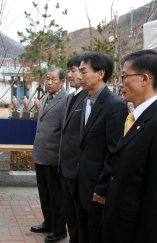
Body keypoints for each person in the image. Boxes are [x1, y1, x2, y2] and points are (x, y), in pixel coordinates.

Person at [101, 49, 157, 243]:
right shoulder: (135, 118)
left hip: (139, 231)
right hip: (120, 226)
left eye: (124, 76)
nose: (120, 83)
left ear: (145, 79)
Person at [76, 52, 127, 243]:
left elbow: (114, 152)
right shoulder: (85, 100)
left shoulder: (115, 105)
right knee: (83, 235)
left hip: (98, 189)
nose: (79, 76)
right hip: (82, 185)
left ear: (100, 73)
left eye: (83, 71)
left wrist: (103, 187)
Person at [31, 67, 69, 243]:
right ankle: (48, 222)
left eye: (53, 79)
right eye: (47, 79)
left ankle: (60, 230)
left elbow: (66, 130)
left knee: (56, 195)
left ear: (62, 82)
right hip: (41, 154)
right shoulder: (45, 97)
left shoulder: (66, 99)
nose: (48, 82)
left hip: (54, 156)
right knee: (44, 193)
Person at [58, 55, 88, 243]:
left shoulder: (89, 98)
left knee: (80, 215)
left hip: (78, 169)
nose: (69, 74)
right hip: (65, 166)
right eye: (68, 70)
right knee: (70, 213)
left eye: (74, 70)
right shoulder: (71, 97)